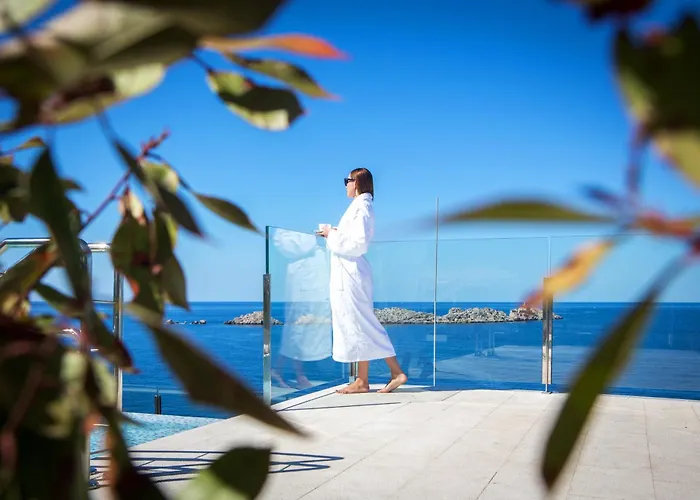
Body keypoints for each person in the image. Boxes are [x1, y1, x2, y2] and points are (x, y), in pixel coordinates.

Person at [318, 168, 408, 394]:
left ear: (356, 182)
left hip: (352, 276)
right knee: (356, 324)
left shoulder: (362, 208)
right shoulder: (359, 207)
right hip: (349, 274)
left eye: (347, 181)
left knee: (364, 323)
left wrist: (331, 234)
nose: (345, 185)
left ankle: (396, 372)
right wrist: (336, 232)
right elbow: (353, 238)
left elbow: (359, 243)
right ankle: (362, 380)